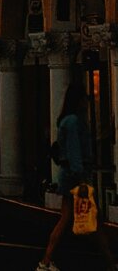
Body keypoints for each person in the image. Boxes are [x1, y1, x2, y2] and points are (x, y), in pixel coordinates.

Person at [38, 82, 115, 271]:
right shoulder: (73, 121)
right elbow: (74, 151)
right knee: (84, 219)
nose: (87, 103)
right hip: (76, 176)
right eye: (85, 99)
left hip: (69, 175)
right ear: (79, 100)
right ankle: (111, 262)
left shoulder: (67, 121)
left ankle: (46, 261)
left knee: (71, 218)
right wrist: (81, 177)